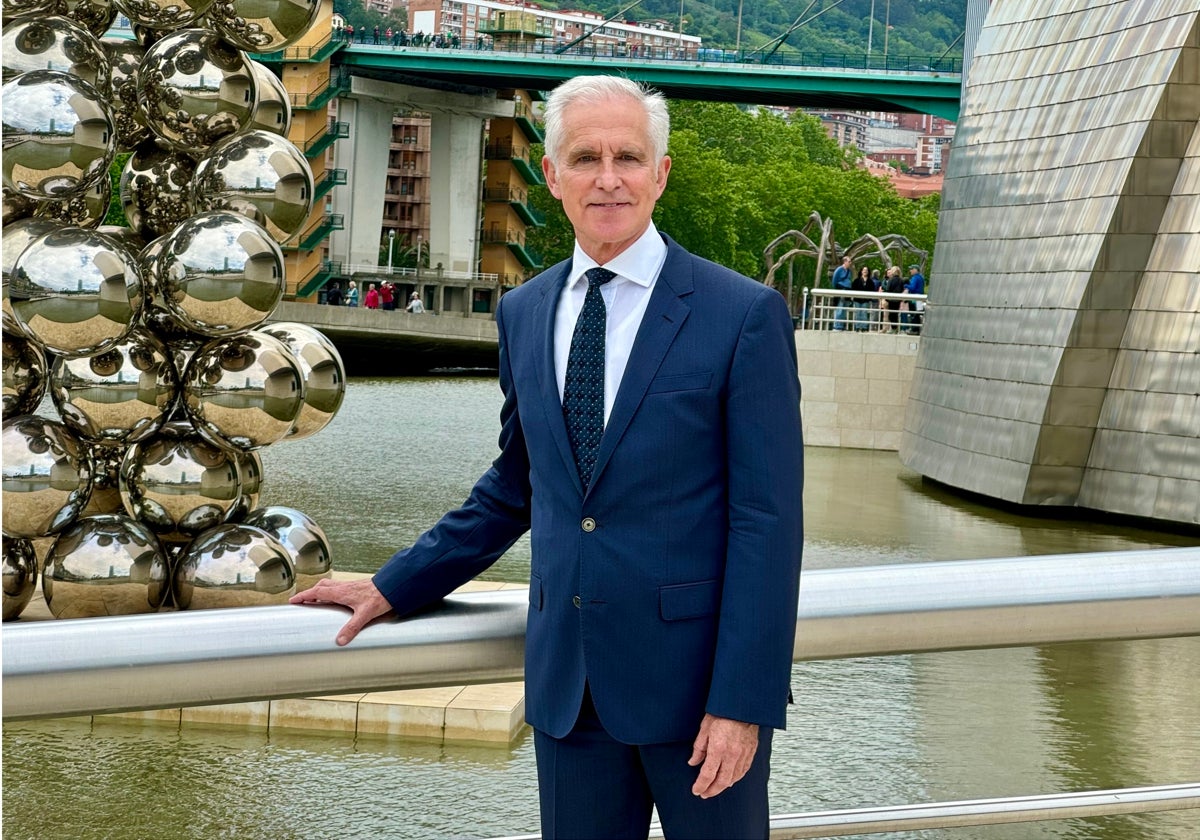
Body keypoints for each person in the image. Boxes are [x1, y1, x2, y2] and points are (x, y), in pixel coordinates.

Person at [291, 75, 803, 840]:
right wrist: (397, 584)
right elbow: (516, 485)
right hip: (570, 691)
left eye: (628, 157)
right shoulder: (526, 311)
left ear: (660, 174)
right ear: (552, 176)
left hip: (698, 696)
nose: (608, 178)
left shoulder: (742, 316)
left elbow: (767, 523)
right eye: (584, 157)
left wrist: (741, 702)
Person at [831, 255, 852, 330]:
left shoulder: (849, 271)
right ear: (845, 262)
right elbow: (834, 281)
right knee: (840, 307)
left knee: (844, 308)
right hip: (841, 290)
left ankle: (842, 325)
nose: (850, 263)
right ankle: (837, 326)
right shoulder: (839, 269)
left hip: (847, 291)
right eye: (849, 261)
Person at [903, 265, 926, 334]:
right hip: (920, 298)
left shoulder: (915, 278)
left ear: (916, 270)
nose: (910, 271)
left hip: (914, 299)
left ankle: (914, 330)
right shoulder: (921, 277)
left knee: (914, 314)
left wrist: (905, 285)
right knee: (917, 314)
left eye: (912, 269)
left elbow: (912, 287)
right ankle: (917, 329)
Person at [851, 265, 874, 332]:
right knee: (858, 313)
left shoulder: (870, 281)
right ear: (861, 271)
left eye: (866, 270)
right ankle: (857, 327)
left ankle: (864, 327)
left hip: (866, 300)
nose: (865, 271)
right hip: (857, 300)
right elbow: (853, 289)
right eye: (864, 270)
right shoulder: (856, 280)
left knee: (864, 313)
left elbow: (872, 290)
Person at [883, 266, 904, 332]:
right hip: (898, 300)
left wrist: (886, 299)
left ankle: (893, 328)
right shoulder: (901, 280)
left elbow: (888, 289)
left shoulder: (891, 280)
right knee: (896, 314)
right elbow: (902, 289)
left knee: (891, 314)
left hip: (891, 299)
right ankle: (896, 328)